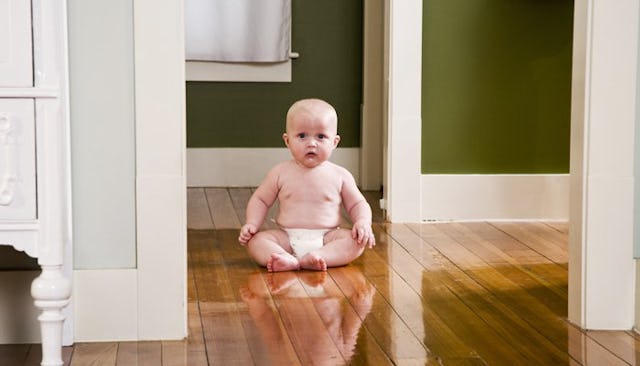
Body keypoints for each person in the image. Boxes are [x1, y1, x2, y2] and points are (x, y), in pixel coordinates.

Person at [238, 98, 375, 272]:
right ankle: (285, 258)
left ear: (334, 142)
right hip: (287, 236)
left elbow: (358, 203)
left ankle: (320, 256)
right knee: (256, 242)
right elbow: (260, 200)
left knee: (355, 242)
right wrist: (252, 223)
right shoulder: (280, 172)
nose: (311, 143)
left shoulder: (340, 175)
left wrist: (362, 222)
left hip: (328, 237)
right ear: (287, 141)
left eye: (321, 136)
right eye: (302, 136)